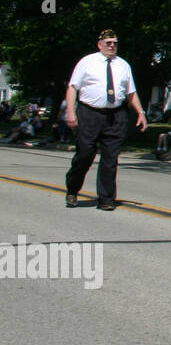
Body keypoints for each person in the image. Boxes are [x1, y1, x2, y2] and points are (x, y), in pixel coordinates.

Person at [63, 29, 148, 210]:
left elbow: (131, 93)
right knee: (85, 154)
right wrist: (70, 113)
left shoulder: (123, 65)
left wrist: (141, 112)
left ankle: (106, 199)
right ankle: (72, 189)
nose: (112, 46)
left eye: (115, 43)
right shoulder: (87, 62)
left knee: (110, 159)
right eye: (108, 42)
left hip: (116, 115)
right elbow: (72, 88)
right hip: (89, 113)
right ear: (99, 44)